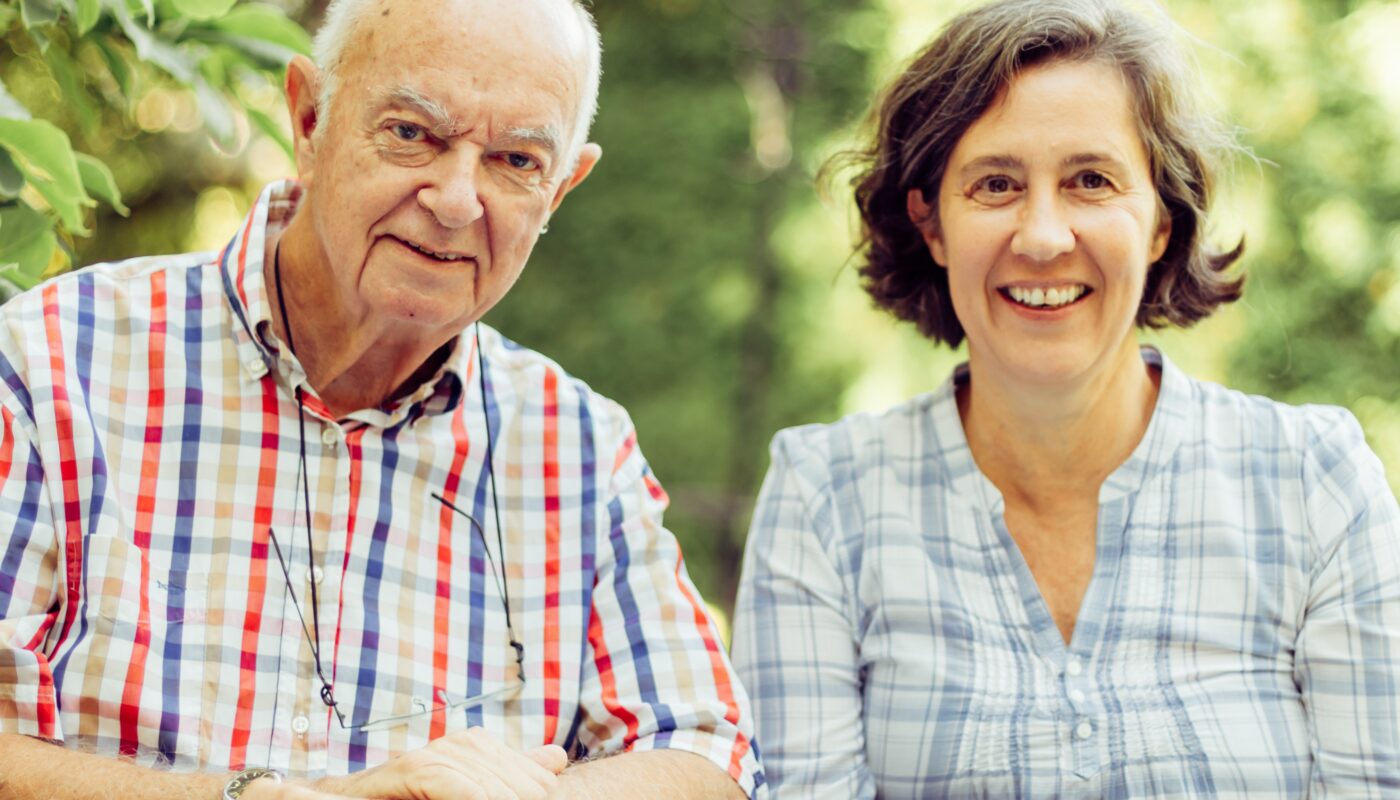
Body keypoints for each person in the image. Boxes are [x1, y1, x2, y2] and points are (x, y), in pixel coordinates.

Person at [0, 0, 764, 797]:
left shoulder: (577, 445)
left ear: (561, 191)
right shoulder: (54, 360)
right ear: (308, 119)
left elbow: (710, 751)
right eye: (411, 133)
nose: (457, 199)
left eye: (516, 161)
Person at [731, 0, 1400, 796]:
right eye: (995, 184)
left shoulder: (1315, 483)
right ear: (931, 223)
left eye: (1091, 180)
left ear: (1159, 220)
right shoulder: (824, 500)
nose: (1044, 236)